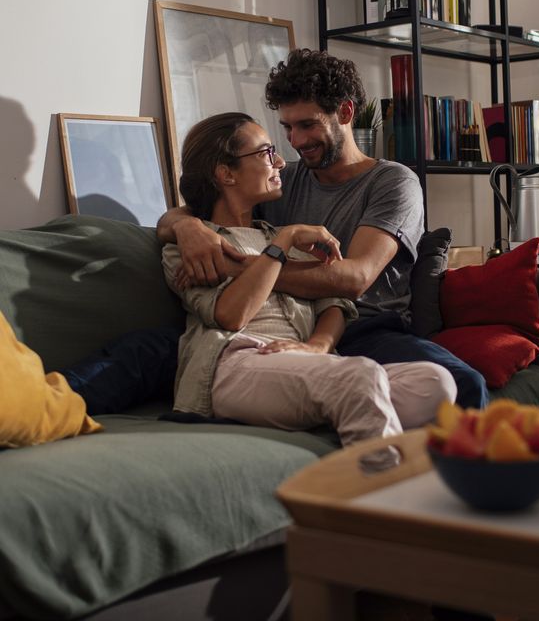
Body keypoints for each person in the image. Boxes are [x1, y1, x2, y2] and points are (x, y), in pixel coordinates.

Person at [158, 49, 488, 409]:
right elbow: (193, 210)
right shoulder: (281, 182)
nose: (296, 141)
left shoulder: (392, 182)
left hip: (367, 330)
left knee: (463, 384)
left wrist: (241, 268)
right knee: (152, 349)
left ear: (345, 112)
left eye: (307, 125)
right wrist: (187, 228)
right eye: (288, 127)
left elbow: (355, 278)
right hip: (291, 327)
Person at [161, 112, 456, 445]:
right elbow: (231, 315)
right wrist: (281, 244)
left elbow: (336, 301)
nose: (281, 162)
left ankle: (342, 411)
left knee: (434, 381)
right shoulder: (193, 249)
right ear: (226, 173)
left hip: (297, 361)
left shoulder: (274, 231)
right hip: (233, 363)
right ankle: (380, 484)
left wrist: (316, 347)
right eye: (266, 153)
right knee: (359, 375)